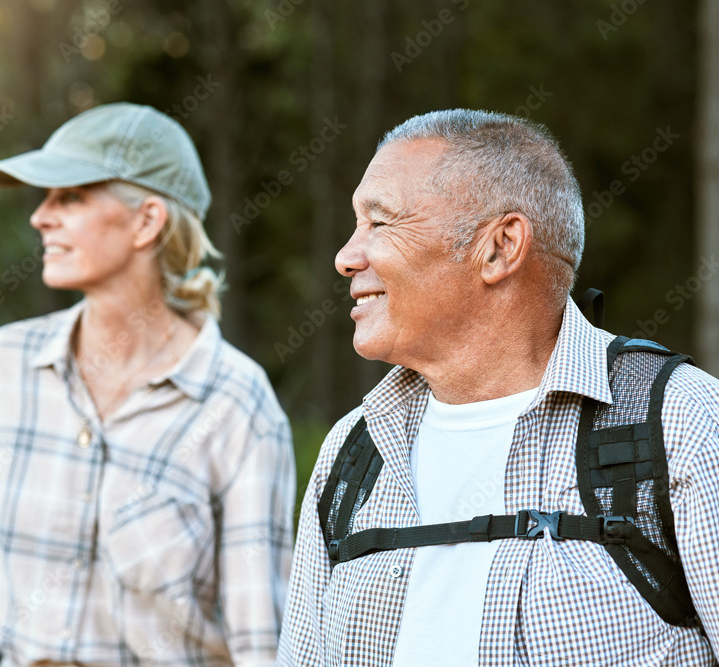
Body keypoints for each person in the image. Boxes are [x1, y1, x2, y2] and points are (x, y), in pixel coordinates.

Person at [277, 109, 719, 665]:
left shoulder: (683, 421)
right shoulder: (352, 451)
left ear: (500, 247)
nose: (345, 257)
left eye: (380, 222)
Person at [0, 102, 296, 667]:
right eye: (44, 199)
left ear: (146, 221)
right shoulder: (5, 364)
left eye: (69, 197)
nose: (40, 217)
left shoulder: (238, 404)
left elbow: (259, 638)